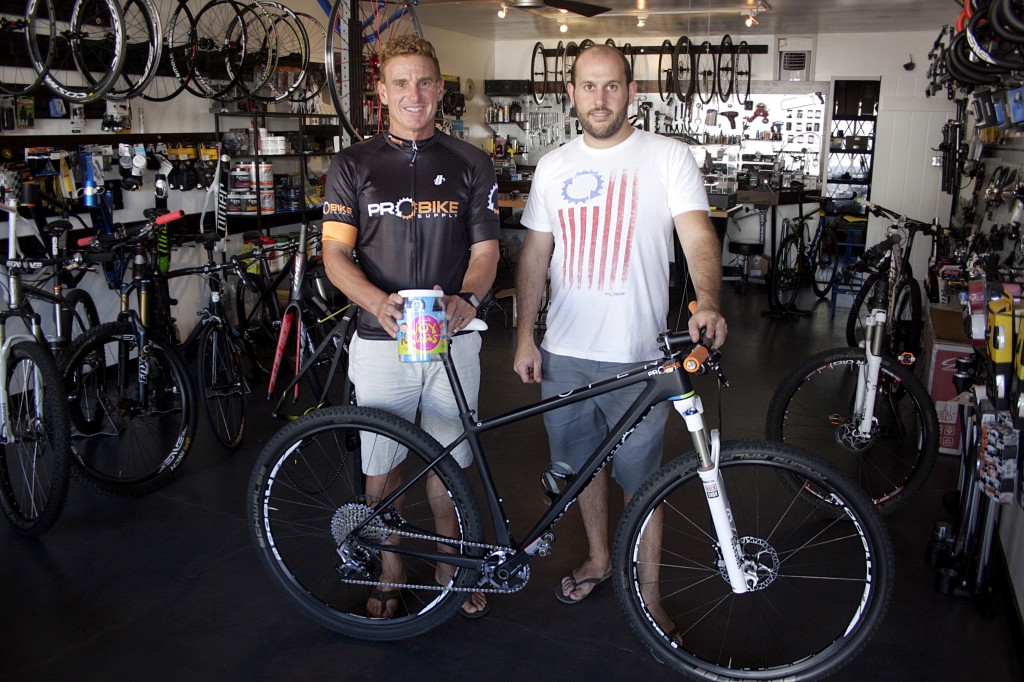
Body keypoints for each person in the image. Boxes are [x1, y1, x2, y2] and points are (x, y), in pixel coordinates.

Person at [512, 44, 728, 635]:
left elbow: (698, 236)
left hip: (640, 359)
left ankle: (650, 590)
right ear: (572, 92)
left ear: (631, 91)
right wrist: (526, 337)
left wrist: (707, 299)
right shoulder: (553, 166)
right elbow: (534, 255)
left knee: (643, 480)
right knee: (581, 470)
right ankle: (601, 559)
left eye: (611, 86)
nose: (600, 98)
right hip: (565, 354)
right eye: (588, 86)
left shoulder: (667, 157)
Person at [321, 34, 500, 620]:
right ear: (382, 92)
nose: (414, 93)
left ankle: (452, 566)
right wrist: (376, 302)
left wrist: (469, 298)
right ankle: (391, 568)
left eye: (424, 81)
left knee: (450, 461)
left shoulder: (471, 162)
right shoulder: (353, 164)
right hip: (380, 339)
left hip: (452, 338)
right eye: (401, 82)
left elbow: (486, 251)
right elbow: (334, 256)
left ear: (440, 87)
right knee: (381, 463)